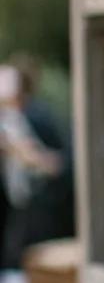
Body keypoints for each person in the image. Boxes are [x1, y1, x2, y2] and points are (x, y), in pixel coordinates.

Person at [0, 56, 74, 272]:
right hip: (12, 222)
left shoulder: (39, 118)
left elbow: (63, 167)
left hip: (41, 221)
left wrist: (32, 157)